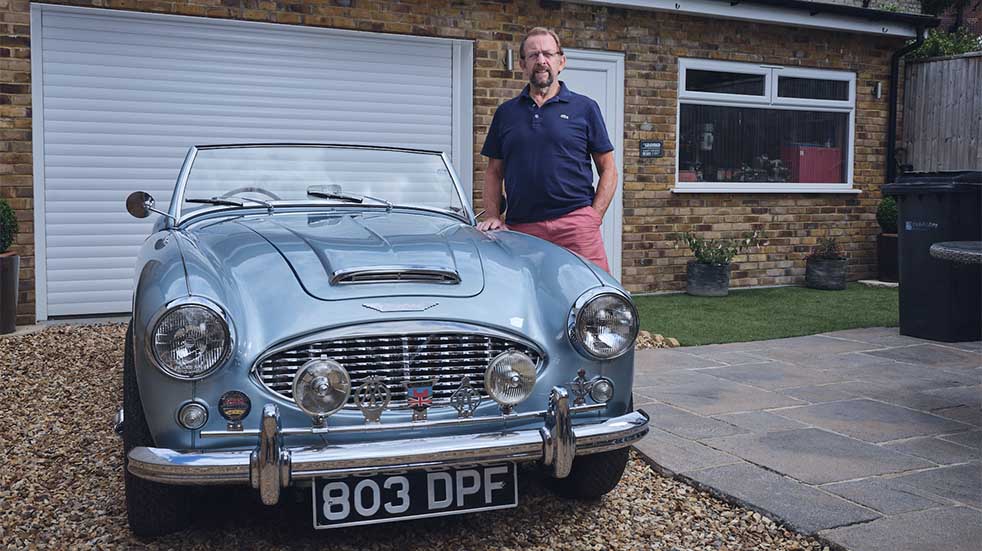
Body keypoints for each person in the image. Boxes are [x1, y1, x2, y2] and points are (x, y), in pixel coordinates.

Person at [478, 27, 617, 273]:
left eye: (548, 54)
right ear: (522, 64)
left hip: (576, 227)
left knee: (594, 301)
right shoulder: (506, 114)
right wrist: (493, 216)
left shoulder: (585, 108)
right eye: (533, 55)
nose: (541, 61)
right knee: (525, 302)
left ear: (561, 62)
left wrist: (593, 218)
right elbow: (494, 172)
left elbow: (608, 169)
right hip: (522, 230)